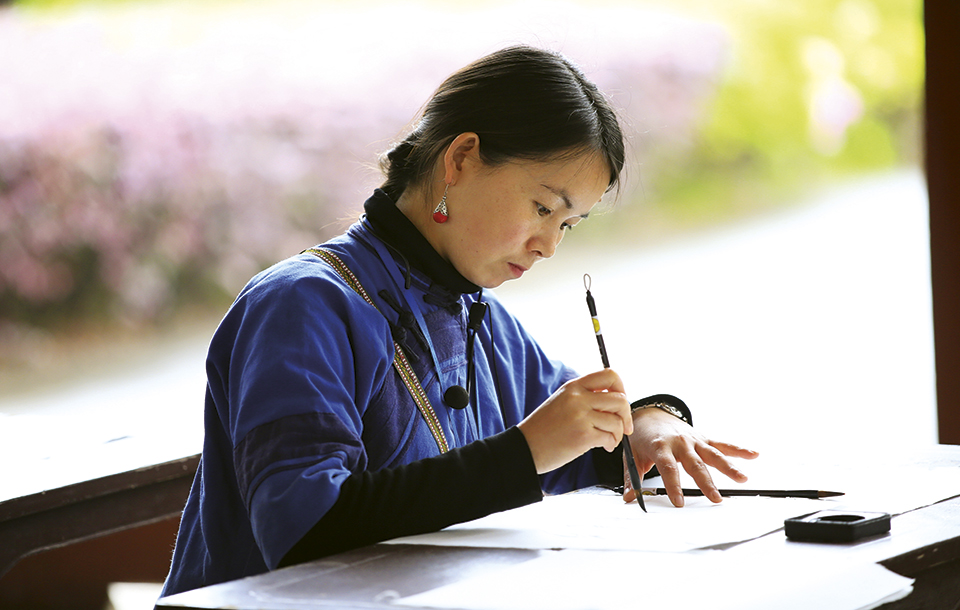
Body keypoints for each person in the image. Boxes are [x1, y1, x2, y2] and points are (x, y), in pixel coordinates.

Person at [158, 45, 758, 597]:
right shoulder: (301, 306)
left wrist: (648, 423)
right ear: (462, 158)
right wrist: (525, 454)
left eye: (567, 225)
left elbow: (575, 440)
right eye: (542, 207)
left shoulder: (480, 317)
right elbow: (302, 526)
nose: (549, 244)